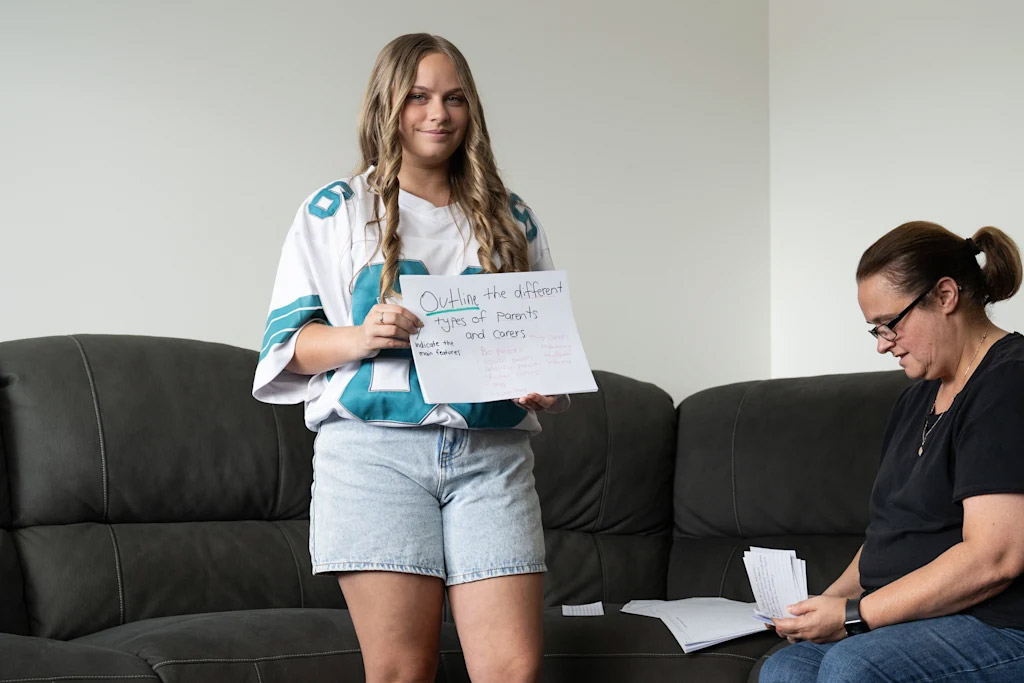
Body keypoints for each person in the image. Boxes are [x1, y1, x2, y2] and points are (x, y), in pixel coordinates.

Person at [252, 34, 567, 683]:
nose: (438, 113)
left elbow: (537, 345)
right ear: (387, 105)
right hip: (375, 453)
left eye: (454, 98)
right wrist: (361, 336)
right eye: (418, 97)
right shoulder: (335, 210)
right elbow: (290, 346)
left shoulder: (513, 219)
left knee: (513, 669)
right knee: (401, 669)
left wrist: (542, 380)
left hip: (491, 453)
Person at [759, 221, 1024, 682]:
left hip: (1001, 624)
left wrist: (853, 616)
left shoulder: (1008, 383)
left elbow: (995, 557)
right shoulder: (915, 398)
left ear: (944, 296)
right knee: (788, 669)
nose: (883, 345)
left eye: (890, 325)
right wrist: (818, 608)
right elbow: (889, 538)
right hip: (913, 620)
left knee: (853, 666)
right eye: (874, 330)